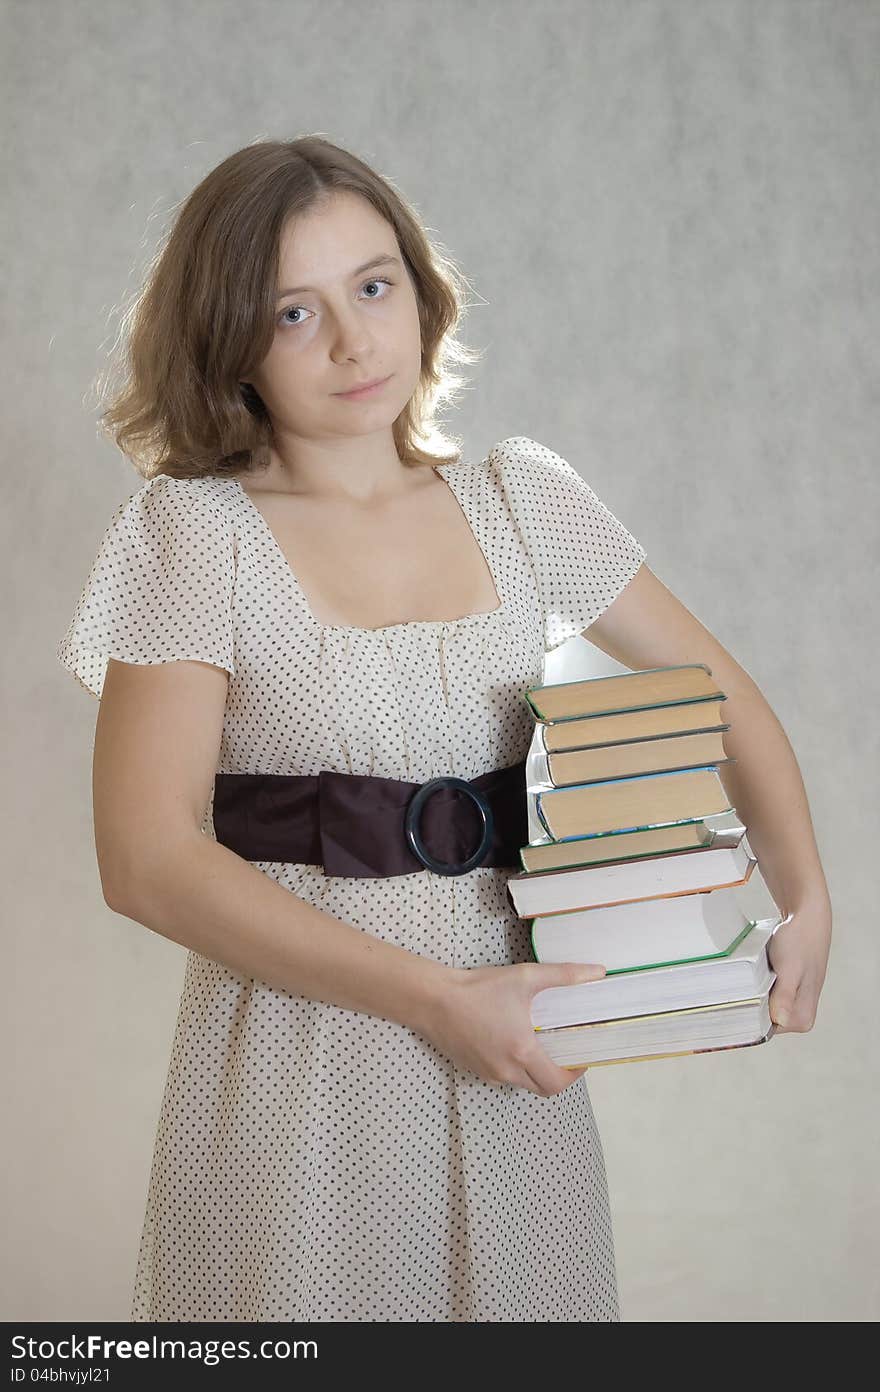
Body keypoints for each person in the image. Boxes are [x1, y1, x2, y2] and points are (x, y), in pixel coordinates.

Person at [57, 136, 832, 1323]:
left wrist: (805, 893)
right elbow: (146, 860)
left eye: (373, 286)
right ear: (229, 343)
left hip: (517, 1044)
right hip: (297, 1065)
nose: (356, 341)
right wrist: (432, 1000)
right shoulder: (192, 535)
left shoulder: (523, 498)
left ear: (422, 287)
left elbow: (719, 698)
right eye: (292, 313)